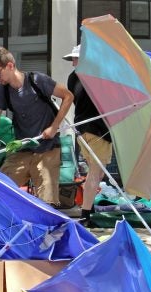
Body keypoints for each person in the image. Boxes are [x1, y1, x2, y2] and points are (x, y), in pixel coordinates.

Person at [0, 47, 73, 207]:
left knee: (47, 204)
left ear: (10, 66)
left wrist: (55, 126)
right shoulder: (2, 90)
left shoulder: (37, 80)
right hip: (23, 149)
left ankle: (45, 229)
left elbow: (68, 96)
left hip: (47, 149)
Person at [63, 45, 112, 226]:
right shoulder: (96, 78)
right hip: (98, 130)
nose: (73, 63)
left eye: (75, 59)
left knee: (95, 172)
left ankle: (89, 208)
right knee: (95, 172)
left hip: (82, 130)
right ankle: (85, 215)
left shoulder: (72, 78)